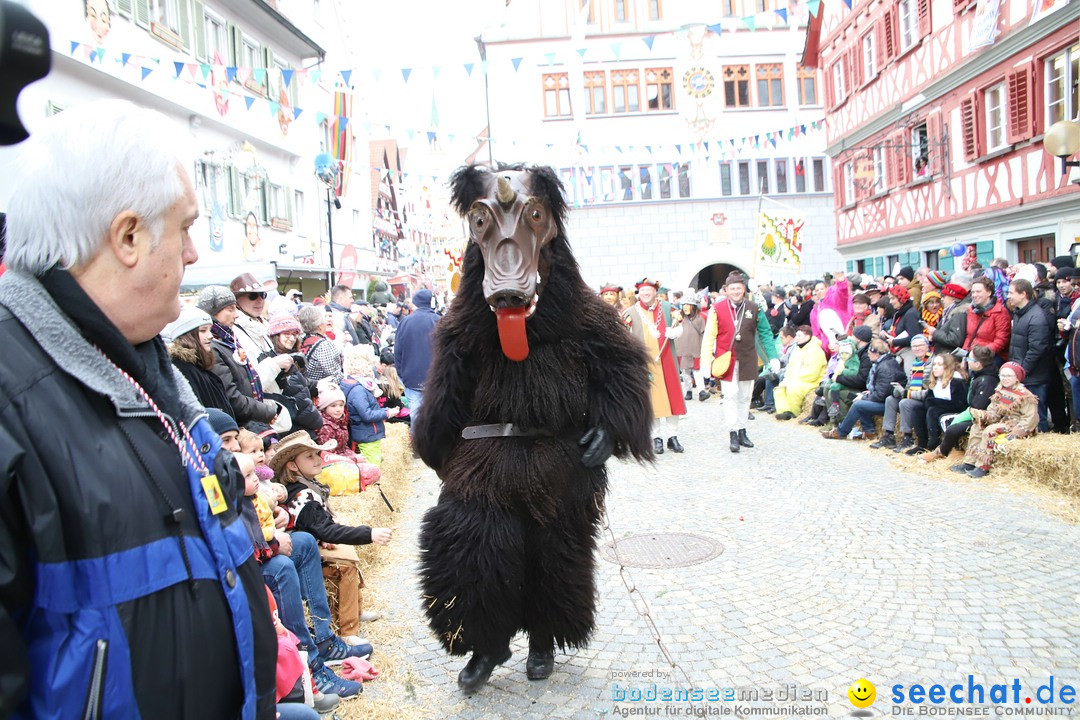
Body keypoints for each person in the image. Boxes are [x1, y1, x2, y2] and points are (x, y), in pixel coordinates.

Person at [0, 100, 276, 718]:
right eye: (184, 227)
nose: (195, 254)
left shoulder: (147, 369)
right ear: (128, 238)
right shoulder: (12, 396)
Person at [273, 432, 392, 648]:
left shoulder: (309, 485)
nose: (318, 459)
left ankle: (355, 610)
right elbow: (327, 530)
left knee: (348, 554)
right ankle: (347, 629)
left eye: (317, 454)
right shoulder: (303, 497)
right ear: (292, 466)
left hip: (312, 543)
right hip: (299, 554)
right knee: (344, 565)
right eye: (309, 456)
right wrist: (369, 534)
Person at [701, 271, 780, 452]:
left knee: (745, 396)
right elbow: (709, 337)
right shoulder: (717, 309)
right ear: (726, 290)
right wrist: (706, 362)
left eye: (739, 288)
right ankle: (733, 433)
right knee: (730, 396)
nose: (735, 291)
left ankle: (743, 429)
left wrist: (773, 356)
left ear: (744, 289)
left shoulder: (753, 308)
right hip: (726, 358)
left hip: (747, 357)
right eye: (732, 289)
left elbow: (765, 334)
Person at [624, 277, 687, 453]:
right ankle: (656, 437)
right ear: (638, 293)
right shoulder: (631, 312)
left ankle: (673, 436)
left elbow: (680, 325)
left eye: (649, 290)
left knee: (673, 396)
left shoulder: (667, 308)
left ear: (655, 292)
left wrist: (675, 332)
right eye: (643, 290)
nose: (646, 293)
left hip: (667, 360)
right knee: (651, 400)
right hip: (645, 363)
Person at [951, 362, 1038, 478]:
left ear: (1017, 378)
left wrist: (1017, 432)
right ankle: (969, 462)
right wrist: (983, 416)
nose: (1005, 379)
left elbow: (1030, 419)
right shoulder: (1000, 391)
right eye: (1003, 376)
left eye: (1009, 376)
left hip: (1015, 424)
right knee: (977, 427)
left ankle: (983, 466)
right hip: (1001, 421)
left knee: (990, 431)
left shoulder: (1025, 396)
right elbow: (993, 411)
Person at [922, 345, 999, 462]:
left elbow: (978, 406)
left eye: (969, 359)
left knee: (947, 421)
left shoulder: (986, 380)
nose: (966, 361)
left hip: (981, 417)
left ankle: (951, 450)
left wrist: (961, 416)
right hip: (972, 411)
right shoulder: (978, 376)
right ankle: (939, 448)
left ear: (978, 364)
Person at [821, 339, 905, 441]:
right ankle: (868, 431)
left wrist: (865, 397)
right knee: (851, 396)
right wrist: (869, 393)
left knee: (858, 404)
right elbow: (883, 389)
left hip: (888, 404)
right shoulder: (882, 363)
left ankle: (841, 432)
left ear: (876, 354)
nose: (868, 355)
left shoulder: (885, 367)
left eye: (869, 353)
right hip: (880, 398)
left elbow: (882, 395)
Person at [165, 304, 234, 417]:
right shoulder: (183, 369)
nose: (210, 336)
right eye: (203, 330)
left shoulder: (199, 365)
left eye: (210, 330)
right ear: (186, 336)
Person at [1007, 278, 1055, 432]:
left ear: (1023, 294)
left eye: (1012, 293)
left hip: (1034, 376)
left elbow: (1036, 349)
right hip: (1024, 372)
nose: (1009, 296)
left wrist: (1021, 372)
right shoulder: (1019, 313)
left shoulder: (1036, 317)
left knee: (1036, 416)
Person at [896, 352, 966, 455]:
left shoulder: (956, 380)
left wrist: (934, 402)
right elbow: (928, 399)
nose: (935, 368)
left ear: (947, 367)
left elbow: (960, 404)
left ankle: (934, 443)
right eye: (934, 365)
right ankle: (922, 444)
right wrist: (932, 402)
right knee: (918, 409)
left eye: (939, 365)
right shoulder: (935, 380)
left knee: (933, 410)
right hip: (938, 407)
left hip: (953, 410)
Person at [342, 344, 400, 466]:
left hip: (368, 433)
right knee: (373, 466)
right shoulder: (358, 390)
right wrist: (388, 413)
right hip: (367, 435)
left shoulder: (357, 385)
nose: (375, 367)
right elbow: (366, 414)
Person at [394, 288, 440, 423]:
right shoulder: (440, 321)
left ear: (415, 303)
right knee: (436, 417)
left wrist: (402, 374)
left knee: (416, 418)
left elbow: (398, 352)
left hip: (411, 378)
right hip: (435, 379)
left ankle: (418, 443)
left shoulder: (405, 322)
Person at [772, 325, 827, 421]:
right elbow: (790, 367)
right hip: (795, 379)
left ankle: (794, 412)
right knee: (779, 389)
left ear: (807, 336)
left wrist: (795, 379)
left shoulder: (815, 350)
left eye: (799, 336)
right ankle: (784, 411)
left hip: (811, 381)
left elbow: (812, 373)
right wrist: (788, 378)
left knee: (794, 389)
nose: (796, 338)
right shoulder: (797, 350)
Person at [962, 276, 1011, 362]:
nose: (974, 295)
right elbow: (970, 336)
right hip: (973, 354)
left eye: (978, 292)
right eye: (973, 292)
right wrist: (964, 354)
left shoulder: (1000, 312)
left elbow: (1001, 340)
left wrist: (981, 354)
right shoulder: (971, 310)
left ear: (989, 292)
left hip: (992, 356)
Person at [299, 303, 343, 386]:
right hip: (321, 392)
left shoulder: (301, 340)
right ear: (319, 326)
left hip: (305, 388)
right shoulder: (323, 345)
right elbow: (336, 376)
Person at [674, 291, 707, 402]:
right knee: (685, 372)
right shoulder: (679, 319)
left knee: (697, 371)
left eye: (688, 305)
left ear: (693, 306)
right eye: (684, 305)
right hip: (682, 350)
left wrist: (704, 349)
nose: (686, 307)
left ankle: (701, 391)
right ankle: (688, 390)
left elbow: (703, 334)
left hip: (696, 349)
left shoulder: (699, 319)